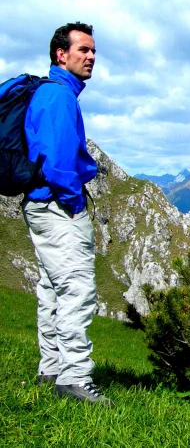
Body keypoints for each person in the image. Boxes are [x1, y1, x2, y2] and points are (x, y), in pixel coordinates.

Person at [21, 22, 113, 406]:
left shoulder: (49, 92)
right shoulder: (59, 96)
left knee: (52, 287)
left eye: (93, 51)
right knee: (76, 288)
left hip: (39, 205)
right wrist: (74, 205)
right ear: (61, 54)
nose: (91, 57)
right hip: (58, 206)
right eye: (84, 50)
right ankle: (74, 378)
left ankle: (52, 368)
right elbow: (57, 162)